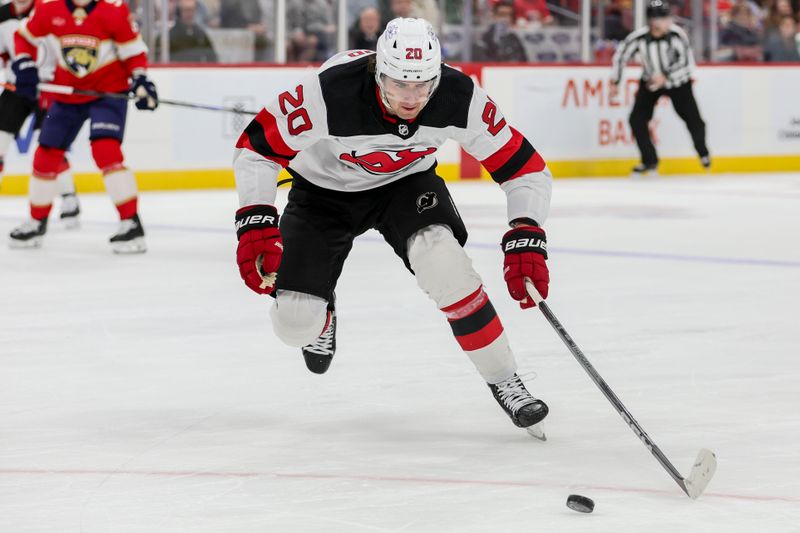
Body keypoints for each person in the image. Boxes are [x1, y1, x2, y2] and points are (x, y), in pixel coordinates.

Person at [232, 18, 553, 433]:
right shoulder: (329, 91)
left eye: (423, 85)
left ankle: (506, 380)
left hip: (405, 185)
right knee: (294, 324)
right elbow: (255, 150)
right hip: (322, 194)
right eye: (400, 83)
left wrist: (527, 231)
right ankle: (322, 315)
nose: (412, 97)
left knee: (445, 264)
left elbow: (525, 169)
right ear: (378, 70)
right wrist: (255, 223)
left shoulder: (458, 96)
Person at [9, 0, 158, 252]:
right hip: (67, 95)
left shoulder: (113, 9)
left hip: (108, 93)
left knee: (106, 150)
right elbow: (24, 36)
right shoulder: (49, 7)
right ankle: (36, 222)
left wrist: (141, 80)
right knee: (46, 154)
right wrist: (24, 62)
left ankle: (131, 224)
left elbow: (133, 52)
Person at [0, 0, 80, 226]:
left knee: (48, 145)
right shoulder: (2, 15)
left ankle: (69, 198)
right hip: (18, 87)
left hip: (49, 88)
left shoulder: (48, 10)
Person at [610, 0, 710, 176]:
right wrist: (615, 81)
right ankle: (649, 160)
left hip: (678, 83)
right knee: (637, 119)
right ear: (653, 21)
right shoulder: (639, 38)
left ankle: (703, 153)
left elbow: (687, 64)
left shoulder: (677, 35)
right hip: (651, 82)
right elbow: (621, 55)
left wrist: (665, 75)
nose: (669, 21)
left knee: (694, 119)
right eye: (665, 18)